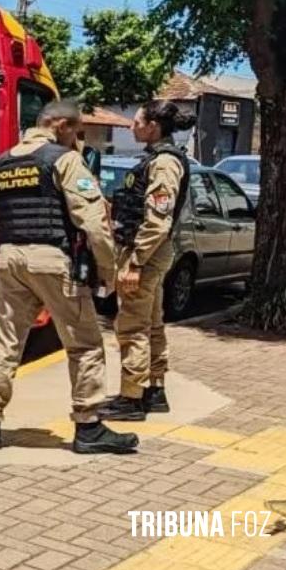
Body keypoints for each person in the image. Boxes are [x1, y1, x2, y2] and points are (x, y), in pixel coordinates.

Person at [0, 100, 138, 454]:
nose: (77, 141)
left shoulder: (0, 163)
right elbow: (93, 222)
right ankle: (88, 426)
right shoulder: (63, 159)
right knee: (86, 344)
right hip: (53, 261)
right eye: (76, 132)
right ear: (60, 124)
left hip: (8, 261)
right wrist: (109, 270)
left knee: (5, 345)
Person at [100, 101, 194, 421]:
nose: (131, 126)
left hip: (146, 254)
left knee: (132, 326)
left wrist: (135, 263)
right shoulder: (157, 159)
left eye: (137, 121)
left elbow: (157, 221)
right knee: (152, 323)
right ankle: (154, 390)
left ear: (153, 126)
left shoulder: (165, 163)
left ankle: (131, 398)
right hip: (152, 253)